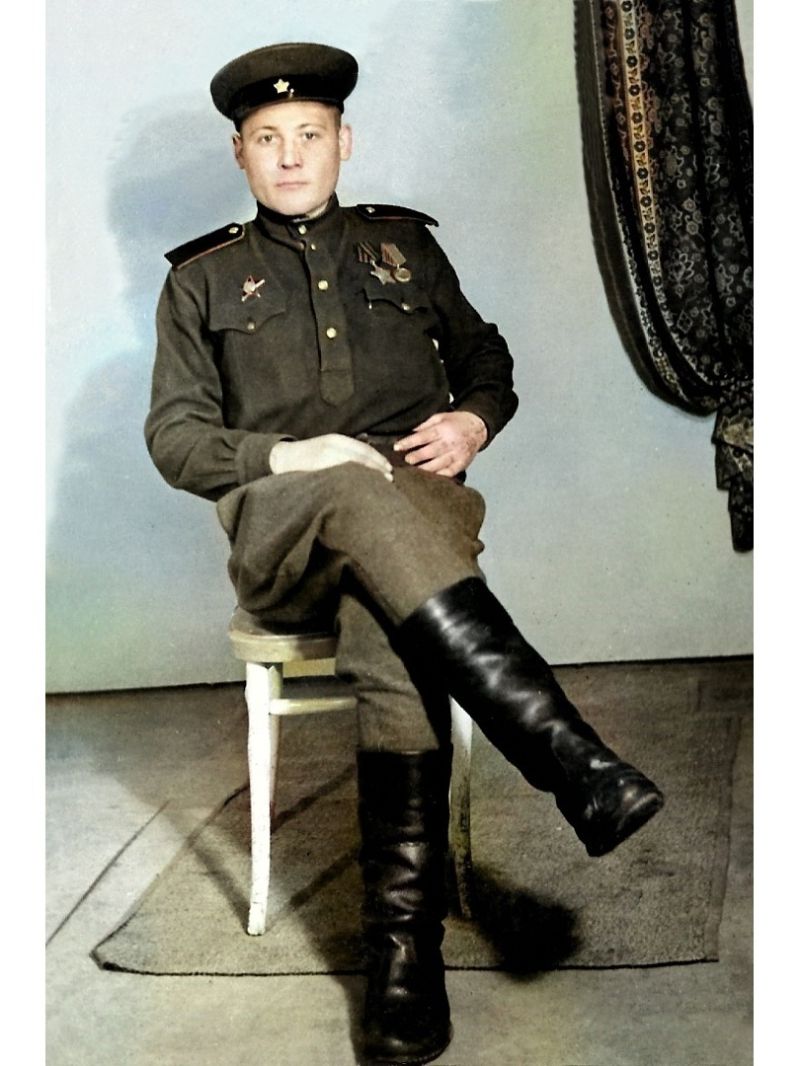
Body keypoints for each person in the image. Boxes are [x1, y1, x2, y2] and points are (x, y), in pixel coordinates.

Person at [145, 42, 664, 1066]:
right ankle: (570, 759)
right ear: (239, 155)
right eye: (266, 139)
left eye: (309, 134)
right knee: (349, 485)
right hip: (285, 531)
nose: (290, 156)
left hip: (417, 518)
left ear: (346, 141)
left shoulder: (403, 249)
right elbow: (175, 438)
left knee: (390, 630)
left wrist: (471, 421)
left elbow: (484, 357)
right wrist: (291, 453)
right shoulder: (200, 281)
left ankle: (401, 960)